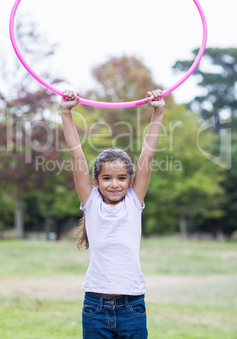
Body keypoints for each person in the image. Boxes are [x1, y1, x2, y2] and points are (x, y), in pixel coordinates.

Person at [60, 89, 165, 339]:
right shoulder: (92, 201)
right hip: (95, 307)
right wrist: (66, 111)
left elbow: (147, 154)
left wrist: (158, 111)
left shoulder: (133, 201)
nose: (114, 184)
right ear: (95, 181)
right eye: (106, 178)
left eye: (121, 178)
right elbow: (77, 154)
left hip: (133, 307)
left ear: (131, 181)